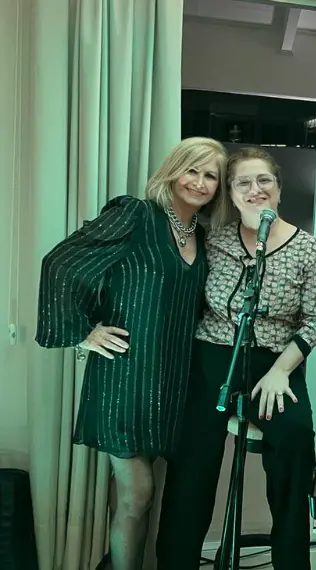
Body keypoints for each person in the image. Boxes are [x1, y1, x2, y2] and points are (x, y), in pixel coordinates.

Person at [35, 136, 228, 570]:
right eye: (192, 170)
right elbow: (60, 261)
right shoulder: (136, 215)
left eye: (210, 176)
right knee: (139, 493)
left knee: (139, 496)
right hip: (124, 379)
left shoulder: (202, 237)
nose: (199, 182)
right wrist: (84, 333)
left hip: (172, 384)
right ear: (173, 171)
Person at [156, 146, 316, 570]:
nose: (255, 190)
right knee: (192, 463)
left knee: (294, 442)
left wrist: (280, 372)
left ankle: (291, 561)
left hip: (276, 362)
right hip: (212, 356)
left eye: (264, 180)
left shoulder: (310, 249)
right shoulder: (214, 239)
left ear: (279, 189)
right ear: (231, 194)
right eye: (243, 183)